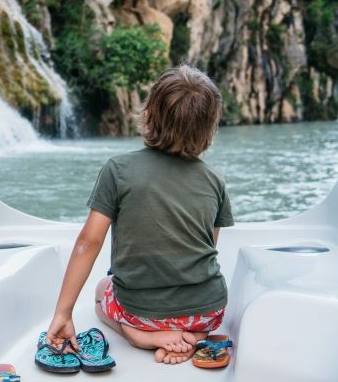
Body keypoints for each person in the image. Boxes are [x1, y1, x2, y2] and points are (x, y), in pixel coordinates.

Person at [45, 65, 234, 365]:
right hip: (208, 310)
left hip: (141, 311)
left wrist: (63, 313)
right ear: (209, 127)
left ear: (148, 115)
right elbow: (208, 246)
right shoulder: (215, 180)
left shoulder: (118, 170)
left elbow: (88, 242)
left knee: (101, 291)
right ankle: (192, 338)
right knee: (192, 313)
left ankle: (140, 336)